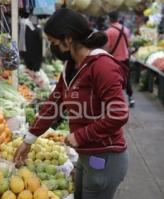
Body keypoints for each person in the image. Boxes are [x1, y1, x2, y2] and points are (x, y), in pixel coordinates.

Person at [14, 8, 129, 199]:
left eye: (53, 42)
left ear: (68, 39)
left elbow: (118, 113)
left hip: (104, 156)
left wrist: (82, 135)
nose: (52, 48)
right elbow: (54, 103)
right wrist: (29, 139)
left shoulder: (102, 66)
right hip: (86, 156)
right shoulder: (71, 67)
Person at [105, 11, 135, 107]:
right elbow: (130, 43)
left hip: (113, 59)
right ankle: (131, 98)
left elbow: (107, 47)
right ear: (118, 18)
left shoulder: (108, 32)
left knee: (114, 80)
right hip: (125, 58)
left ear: (110, 19)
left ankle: (115, 100)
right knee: (127, 79)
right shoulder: (125, 29)